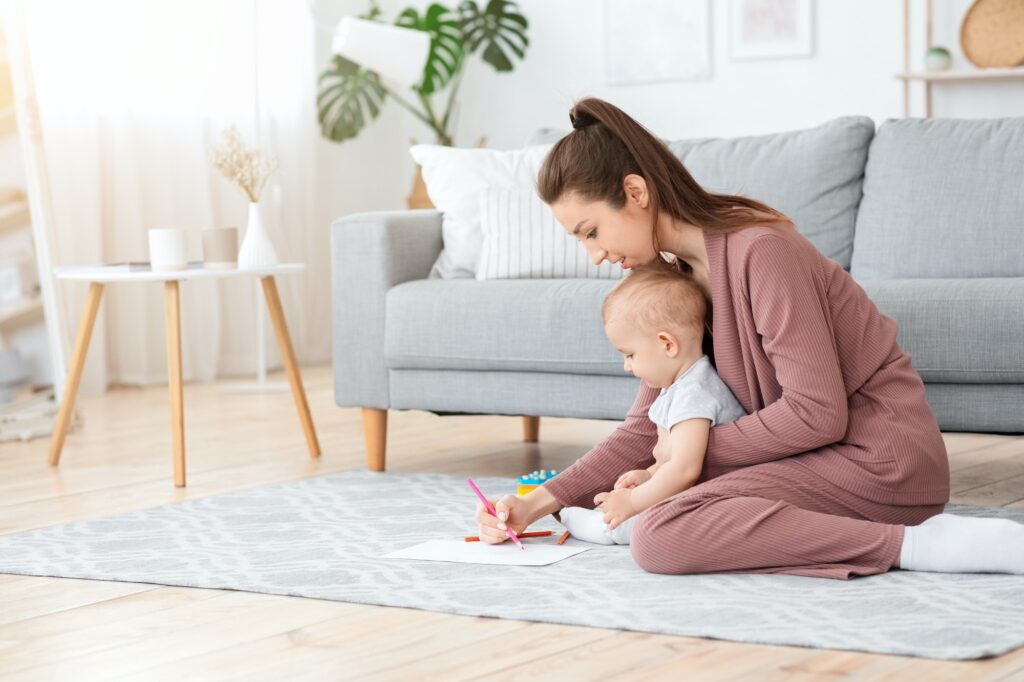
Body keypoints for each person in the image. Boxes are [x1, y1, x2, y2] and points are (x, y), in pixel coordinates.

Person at [473, 97, 1024, 579]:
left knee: (660, 532)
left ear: (635, 191)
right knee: (655, 514)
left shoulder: (761, 252)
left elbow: (816, 413)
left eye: (590, 231)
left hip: (876, 461)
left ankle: (914, 546)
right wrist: (534, 505)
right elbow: (647, 426)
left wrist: (682, 458)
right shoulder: (676, 283)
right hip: (804, 462)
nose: (593, 254)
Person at [557, 259, 746, 545]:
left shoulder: (694, 395)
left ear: (667, 344)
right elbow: (673, 462)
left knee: (646, 523)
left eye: (630, 355)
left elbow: (685, 469)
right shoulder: (677, 389)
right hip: (698, 489)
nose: (626, 366)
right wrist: (647, 475)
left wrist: (633, 501)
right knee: (639, 508)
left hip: (720, 496)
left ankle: (608, 529)